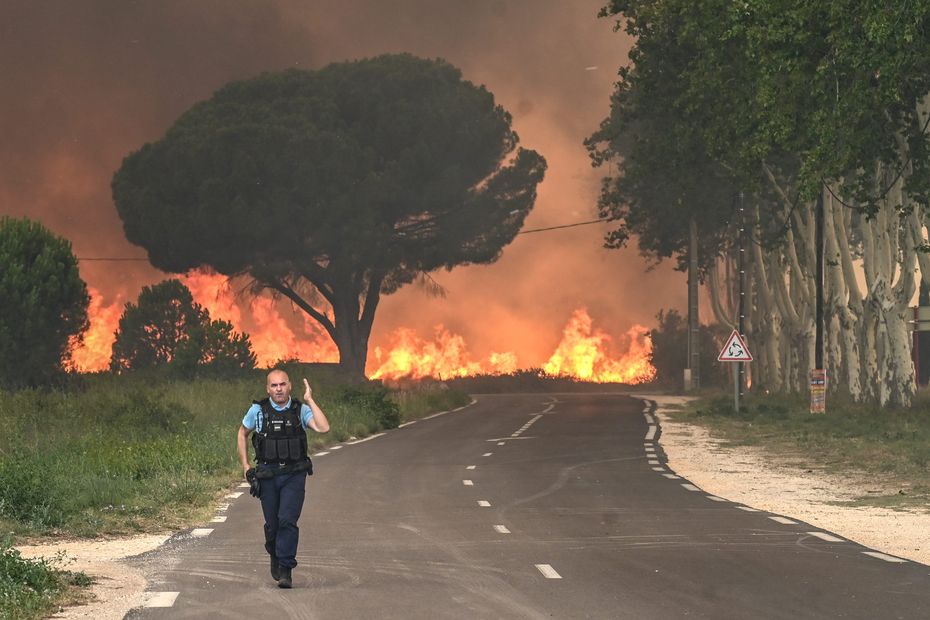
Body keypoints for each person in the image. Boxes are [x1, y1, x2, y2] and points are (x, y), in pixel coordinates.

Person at [237, 369, 330, 589]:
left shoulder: (300, 410)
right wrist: (246, 465)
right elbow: (242, 433)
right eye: (274, 385)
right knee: (273, 524)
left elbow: (324, 428)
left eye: (282, 385)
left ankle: (286, 568)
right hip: (267, 475)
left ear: (290, 386)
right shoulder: (258, 410)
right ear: (267, 388)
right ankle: (274, 551)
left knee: (287, 520)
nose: (278, 389)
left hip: (293, 474)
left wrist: (310, 399)